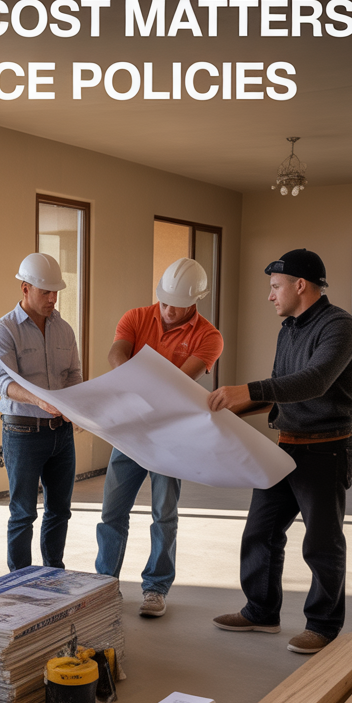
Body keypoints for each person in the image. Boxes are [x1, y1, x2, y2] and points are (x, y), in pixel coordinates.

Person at [208, 248, 352, 654]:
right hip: (284, 449)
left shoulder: (341, 328)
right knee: (260, 532)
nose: (270, 295)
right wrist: (226, 410)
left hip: (325, 451)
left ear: (301, 285)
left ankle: (323, 627)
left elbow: (314, 382)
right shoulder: (290, 328)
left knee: (322, 542)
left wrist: (248, 389)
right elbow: (281, 394)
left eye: (276, 286)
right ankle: (261, 612)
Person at [95, 258, 224, 617]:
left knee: (164, 514)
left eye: (176, 306)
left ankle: (155, 588)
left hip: (170, 436)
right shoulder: (136, 317)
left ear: (196, 301)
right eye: (164, 302)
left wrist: (135, 386)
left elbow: (177, 384)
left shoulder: (209, 337)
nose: (167, 311)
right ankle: (104, 584)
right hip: (130, 432)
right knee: (112, 513)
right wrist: (135, 381)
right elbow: (116, 353)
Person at [0, 252, 82, 571]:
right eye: (46, 292)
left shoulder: (65, 331)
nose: (53, 298)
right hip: (23, 433)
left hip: (61, 434)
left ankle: (53, 572)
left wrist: (75, 406)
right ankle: (20, 581)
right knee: (23, 513)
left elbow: (73, 375)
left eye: (56, 292)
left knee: (59, 510)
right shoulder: (3, 331)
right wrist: (41, 400)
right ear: (25, 289)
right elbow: (3, 383)